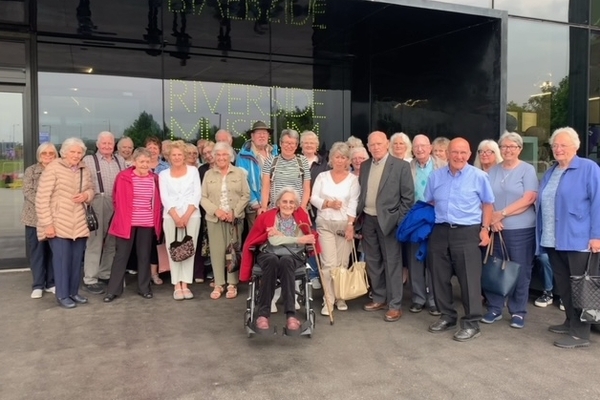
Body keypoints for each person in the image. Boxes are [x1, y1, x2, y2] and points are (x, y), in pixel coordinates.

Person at [425, 138, 494, 342]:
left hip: (467, 231)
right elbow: (429, 200)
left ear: (469, 154)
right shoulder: (435, 176)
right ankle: (447, 316)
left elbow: (488, 204)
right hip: (440, 230)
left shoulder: (479, 176)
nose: (459, 156)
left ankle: (472, 323)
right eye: (455, 152)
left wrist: (485, 229)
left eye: (463, 152)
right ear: (447, 153)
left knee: (469, 279)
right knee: (439, 276)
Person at [538, 127, 600, 349]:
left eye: (563, 145)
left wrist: (597, 236)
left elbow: (598, 203)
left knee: (579, 286)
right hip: (554, 239)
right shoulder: (551, 171)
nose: (558, 149)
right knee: (563, 285)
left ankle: (580, 334)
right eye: (555, 145)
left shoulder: (588, 168)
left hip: (578, 238)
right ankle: (570, 321)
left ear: (576, 146)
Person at [240, 187, 319, 331]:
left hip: (293, 256)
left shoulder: (301, 217)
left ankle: (291, 316)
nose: (288, 205)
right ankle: (263, 315)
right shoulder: (268, 217)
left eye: (291, 202)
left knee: (286, 261)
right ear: (278, 203)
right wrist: (298, 239)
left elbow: (309, 237)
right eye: (284, 201)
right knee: (272, 260)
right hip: (268, 253)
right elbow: (274, 241)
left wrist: (283, 237)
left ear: (295, 205)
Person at [357, 131, 414, 322]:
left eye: (379, 144)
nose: (375, 147)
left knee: (393, 263)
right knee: (373, 262)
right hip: (368, 219)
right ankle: (379, 298)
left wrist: (398, 221)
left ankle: (395, 304)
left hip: (389, 222)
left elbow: (408, 198)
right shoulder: (365, 166)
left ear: (387, 143)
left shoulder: (401, 166)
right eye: (371, 145)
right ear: (368, 146)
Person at [483, 132, 538, 329]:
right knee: (495, 268)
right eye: (504, 146)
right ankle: (495, 308)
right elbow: (486, 199)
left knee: (521, 270)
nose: (508, 150)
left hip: (521, 229)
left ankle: (518, 311)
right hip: (496, 228)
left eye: (512, 147)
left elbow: (528, 199)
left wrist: (501, 214)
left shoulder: (527, 170)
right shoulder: (493, 171)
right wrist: (491, 220)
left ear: (519, 149)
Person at [35, 137, 95, 309]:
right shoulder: (54, 168)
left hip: (80, 223)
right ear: (64, 152)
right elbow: (42, 199)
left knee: (76, 261)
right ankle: (62, 295)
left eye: (79, 152)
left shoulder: (85, 169)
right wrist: (48, 225)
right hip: (59, 223)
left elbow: (91, 190)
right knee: (62, 261)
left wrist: (86, 196)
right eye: (73, 152)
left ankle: (73, 292)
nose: (76, 155)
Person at [103, 148, 162, 302]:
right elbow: (116, 198)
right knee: (121, 256)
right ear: (134, 162)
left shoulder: (154, 178)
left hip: (147, 222)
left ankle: (144, 288)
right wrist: (123, 214)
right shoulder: (123, 177)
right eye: (141, 161)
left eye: (147, 162)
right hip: (126, 222)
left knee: (144, 255)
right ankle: (113, 290)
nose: (144, 164)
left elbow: (157, 201)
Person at [310, 142, 359, 315]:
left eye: (344, 157)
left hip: (344, 225)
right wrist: (328, 203)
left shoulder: (353, 180)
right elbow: (313, 197)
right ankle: (328, 300)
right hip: (325, 223)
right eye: (337, 157)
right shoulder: (322, 176)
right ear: (332, 158)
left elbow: (354, 203)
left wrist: (350, 225)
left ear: (348, 160)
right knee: (328, 264)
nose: (340, 160)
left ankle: (340, 296)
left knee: (342, 263)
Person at [201, 142, 250, 300]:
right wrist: (217, 211)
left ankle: (232, 283)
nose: (221, 158)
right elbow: (203, 198)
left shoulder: (239, 173)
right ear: (214, 157)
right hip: (215, 218)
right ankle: (219, 283)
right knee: (216, 252)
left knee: (233, 251)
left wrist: (234, 212)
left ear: (230, 156)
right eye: (218, 155)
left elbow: (246, 195)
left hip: (234, 219)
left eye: (224, 155)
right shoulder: (208, 175)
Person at [406, 134, 446, 315]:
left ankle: (434, 299)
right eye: (416, 147)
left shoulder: (443, 166)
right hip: (415, 218)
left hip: (436, 217)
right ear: (412, 149)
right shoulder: (407, 167)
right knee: (415, 259)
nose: (420, 149)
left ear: (430, 148)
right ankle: (418, 298)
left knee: (434, 261)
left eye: (423, 146)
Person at [82, 131, 125, 295]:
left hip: (117, 203)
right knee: (95, 241)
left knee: (113, 242)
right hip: (98, 201)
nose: (107, 146)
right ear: (98, 144)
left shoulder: (120, 160)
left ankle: (105, 273)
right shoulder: (88, 160)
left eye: (110, 143)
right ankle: (90, 278)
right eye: (104, 143)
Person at [159, 140, 202, 301]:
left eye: (179, 154)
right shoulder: (163, 175)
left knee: (189, 250)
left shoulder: (193, 171)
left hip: (192, 216)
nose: (177, 157)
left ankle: (186, 284)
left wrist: (186, 216)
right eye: (173, 155)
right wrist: (177, 217)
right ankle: (177, 284)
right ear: (169, 157)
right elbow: (165, 197)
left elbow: (196, 194)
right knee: (174, 250)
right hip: (171, 217)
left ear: (184, 156)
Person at [21, 142, 58, 299]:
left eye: (51, 153)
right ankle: (37, 285)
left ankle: (50, 283)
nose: (48, 156)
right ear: (39, 155)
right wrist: (44, 202)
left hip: (55, 218)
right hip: (34, 218)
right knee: (37, 252)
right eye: (44, 153)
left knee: (52, 252)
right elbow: (27, 191)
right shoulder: (31, 171)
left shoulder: (59, 170)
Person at [301, 130, 329, 290]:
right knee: (302, 242)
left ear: (317, 145)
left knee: (315, 242)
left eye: (312, 143)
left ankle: (316, 275)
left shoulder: (324, 164)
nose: (309, 145)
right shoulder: (296, 162)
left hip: (318, 210)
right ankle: (307, 275)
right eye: (306, 142)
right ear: (301, 145)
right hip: (300, 209)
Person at [236, 121, 277, 229]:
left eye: (264, 133)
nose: (262, 136)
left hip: (274, 204)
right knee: (257, 238)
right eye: (258, 133)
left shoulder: (274, 153)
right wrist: (255, 203)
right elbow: (242, 182)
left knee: (274, 237)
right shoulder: (244, 155)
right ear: (252, 136)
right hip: (255, 206)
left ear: (268, 136)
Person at [260, 129, 311, 213]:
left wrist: (302, 207)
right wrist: (264, 207)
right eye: (286, 142)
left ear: (296, 145)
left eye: (292, 143)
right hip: (275, 210)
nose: (289, 146)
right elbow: (265, 187)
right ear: (280, 143)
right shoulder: (270, 161)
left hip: (296, 210)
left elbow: (306, 188)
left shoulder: (303, 161)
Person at [145, 136, 170, 285]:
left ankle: (155, 273)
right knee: (143, 244)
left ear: (159, 150)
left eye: (155, 147)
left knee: (156, 243)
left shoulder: (166, 168)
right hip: (144, 212)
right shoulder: (139, 165)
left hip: (161, 212)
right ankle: (143, 273)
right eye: (149, 147)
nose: (152, 150)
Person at [194, 140, 215, 283]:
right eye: (204, 153)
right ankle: (199, 272)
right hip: (204, 211)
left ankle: (217, 273)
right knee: (203, 242)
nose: (208, 155)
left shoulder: (229, 168)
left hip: (223, 212)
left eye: (210, 152)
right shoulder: (201, 170)